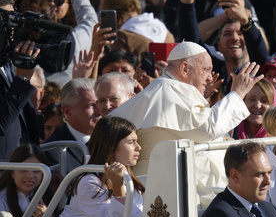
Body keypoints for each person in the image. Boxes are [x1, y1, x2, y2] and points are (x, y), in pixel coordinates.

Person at [110, 42, 260, 208]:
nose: (210, 77)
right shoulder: (168, 89)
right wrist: (237, 93)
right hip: (174, 190)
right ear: (184, 69)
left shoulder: (172, 88)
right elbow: (208, 129)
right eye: (206, 70)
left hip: (178, 185)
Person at [42, 116, 144, 217]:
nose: (138, 147)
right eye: (131, 142)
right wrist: (118, 188)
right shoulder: (88, 181)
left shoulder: (129, 180)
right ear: (112, 145)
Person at [198, 141, 276, 217]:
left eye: (269, 173)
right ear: (235, 176)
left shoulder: (268, 209)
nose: (268, 181)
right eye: (259, 174)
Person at [0, 0, 42, 162]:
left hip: (18, 174)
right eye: (4, 20)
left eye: (13, 20)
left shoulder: (8, 61)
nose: (11, 28)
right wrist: (22, 81)